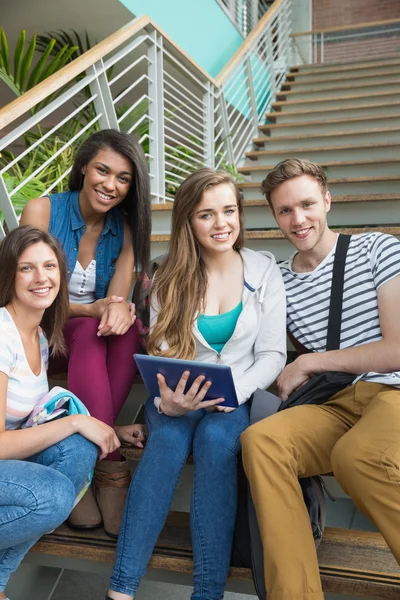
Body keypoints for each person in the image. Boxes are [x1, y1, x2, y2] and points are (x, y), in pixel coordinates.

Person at [106, 168, 287, 600]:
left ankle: (208, 592)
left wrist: (234, 393)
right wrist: (169, 403)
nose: (221, 223)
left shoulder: (263, 270)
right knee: (166, 442)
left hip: (235, 398)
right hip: (175, 397)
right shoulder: (168, 275)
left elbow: (272, 355)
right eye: (206, 214)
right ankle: (121, 589)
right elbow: (165, 353)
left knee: (215, 442)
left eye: (228, 211)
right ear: (188, 221)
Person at [241, 157, 400, 600]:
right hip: (337, 403)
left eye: (307, 204)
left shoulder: (377, 249)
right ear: (274, 217)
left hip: (394, 391)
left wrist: (311, 361)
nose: (299, 219)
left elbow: (398, 350)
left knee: (357, 457)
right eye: (285, 211)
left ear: (327, 200)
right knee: (261, 441)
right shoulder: (279, 282)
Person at [20, 129, 150, 536]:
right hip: (40, 338)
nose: (110, 185)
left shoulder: (126, 230)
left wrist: (115, 311)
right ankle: (111, 465)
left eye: (124, 178)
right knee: (89, 329)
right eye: (103, 171)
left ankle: (88, 464)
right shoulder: (42, 211)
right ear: (83, 168)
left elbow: (113, 302)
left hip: (88, 340)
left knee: (125, 333)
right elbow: (21, 293)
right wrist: (93, 310)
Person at [0, 226, 123, 600]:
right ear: (8, 275)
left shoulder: (37, 333)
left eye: (50, 266)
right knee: (53, 496)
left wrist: (99, 425)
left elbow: (26, 421)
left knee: (80, 448)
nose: (42, 278)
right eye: (27, 268)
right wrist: (75, 420)